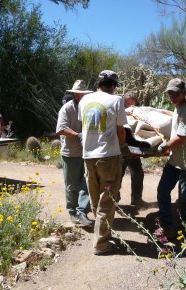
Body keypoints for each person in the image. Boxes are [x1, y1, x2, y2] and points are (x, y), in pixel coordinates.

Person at [78, 70, 128, 255]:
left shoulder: (84, 100)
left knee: (95, 197)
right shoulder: (116, 100)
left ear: (99, 83)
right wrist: (123, 147)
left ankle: (101, 234)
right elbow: (120, 130)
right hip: (108, 157)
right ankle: (101, 244)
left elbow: (84, 127)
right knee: (107, 199)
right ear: (113, 85)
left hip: (88, 156)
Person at [157, 78, 186, 238]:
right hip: (175, 161)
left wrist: (165, 146)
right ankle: (167, 225)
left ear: (183, 93)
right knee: (163, 190)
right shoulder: (178, 107)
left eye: (175, 94)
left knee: (185, 198)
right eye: (169, 94)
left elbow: (181, 138)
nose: (172, 97)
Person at [56, 80, 94, 226]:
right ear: (75, 94)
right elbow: (60, 128)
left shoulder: (90, 109)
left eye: (84, 93)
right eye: (80, 93)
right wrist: (78, 135)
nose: (83, 96)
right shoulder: (67, 109)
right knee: (72, 185)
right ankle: (72, 212)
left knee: (87, 183)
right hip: (70, 153)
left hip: (87, 152)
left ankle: (82, 212)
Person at [121, 92, 145, 206]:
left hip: (135, 149)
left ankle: (136, 199)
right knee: (118, 175)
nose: (130, 103)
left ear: (136, 101)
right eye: (128, 101)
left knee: (138, 174)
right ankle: (114, 199)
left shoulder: (140, 112)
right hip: (122, 149)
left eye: (132, 100)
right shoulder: (121, 112)